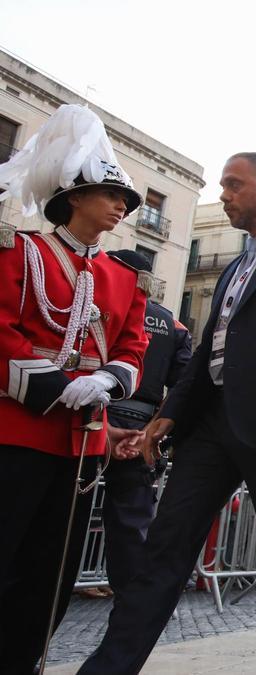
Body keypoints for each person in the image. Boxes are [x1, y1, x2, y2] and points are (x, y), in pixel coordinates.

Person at [80, 152, 256, 674]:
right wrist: (169, 415)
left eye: (232, 184)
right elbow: (207, 351)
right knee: (164, 548)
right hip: (210, 428)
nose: (222, 194)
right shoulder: (235, 266)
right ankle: (108, 667)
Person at [0, 104, 149, 672]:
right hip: (18, 430)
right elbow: (2, 331)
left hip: (80, 441)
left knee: (52, 570)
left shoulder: (123, 276)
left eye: (128, 202)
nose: (121, 208)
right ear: (75, 195)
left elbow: (133, 346)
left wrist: (109, 379)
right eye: (113, 196)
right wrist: (59, 388)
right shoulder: (20, 251)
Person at [102, 249, 193, 598]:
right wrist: (156, 426)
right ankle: (130, 601)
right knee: (131, 520)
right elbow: (184, 385)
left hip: (94, 418)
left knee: (66, 511)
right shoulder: (172, 324)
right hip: (141, 425)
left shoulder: (103, 306)